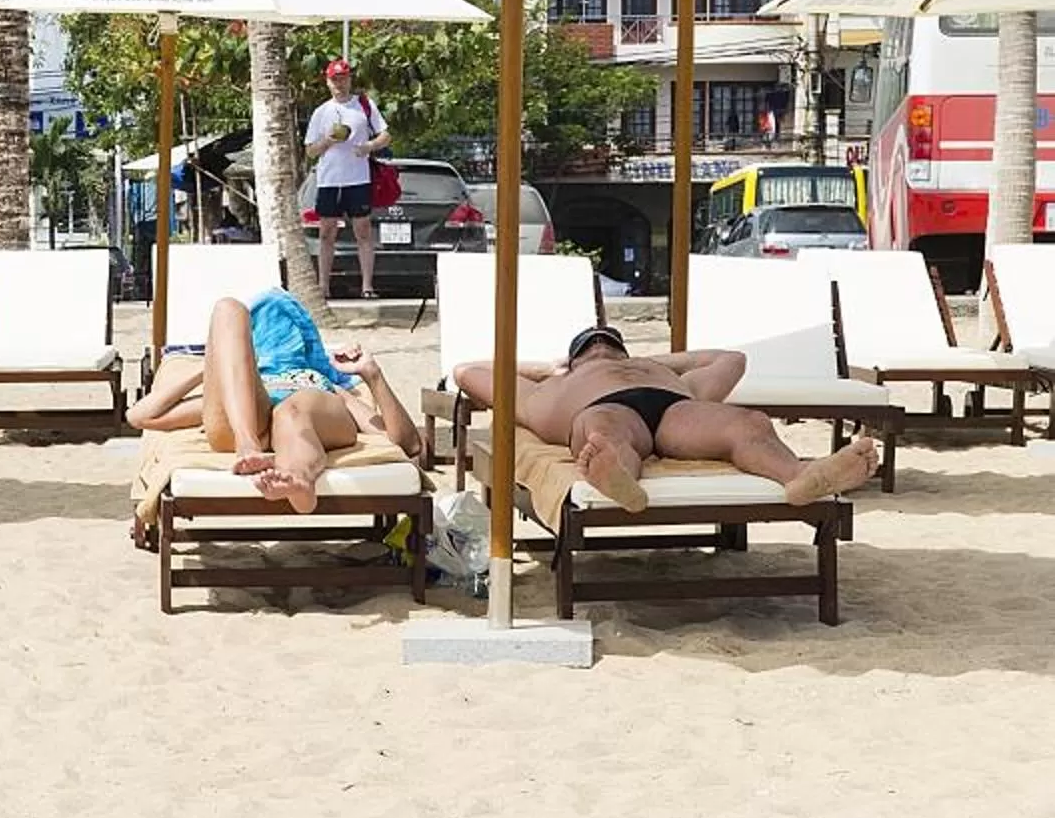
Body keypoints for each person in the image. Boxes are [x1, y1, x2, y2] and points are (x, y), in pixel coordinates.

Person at [453, 322, 878, 514]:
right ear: (574, 357)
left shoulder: (669, 374)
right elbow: (466, 372)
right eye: (591, 345)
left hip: (674, 406)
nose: (601, 347)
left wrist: (655, 361)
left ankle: (797, 478)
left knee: (747, 422)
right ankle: (619, 479)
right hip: (600, 407)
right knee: (604, 433)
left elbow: (732, 359)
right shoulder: (549, 389)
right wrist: (549, 369)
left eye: (610, 343)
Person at [129, 288, 423, 513]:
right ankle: (248, 444)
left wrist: (373, 376)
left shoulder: (328, 385)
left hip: (307, 411)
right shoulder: (239, 388)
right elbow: (140, 416)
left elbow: (406, 443)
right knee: (227, 308)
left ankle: (298, 481)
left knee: (290, 410)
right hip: (246, 423)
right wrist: (211, 368)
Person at [303, 55, 391, 303]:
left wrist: (369, 146)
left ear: (349, 80)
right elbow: (310, 150)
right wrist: (328, 141)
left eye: (343, 79)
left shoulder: (363, 105)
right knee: (326, 232)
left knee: (362, 230)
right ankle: (323, 286)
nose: (339, 84)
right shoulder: (322, 112)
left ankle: (367, 284)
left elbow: (385, 135)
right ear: (328, 82)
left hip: (358, 178)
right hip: (329, 179)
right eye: (334, 80)